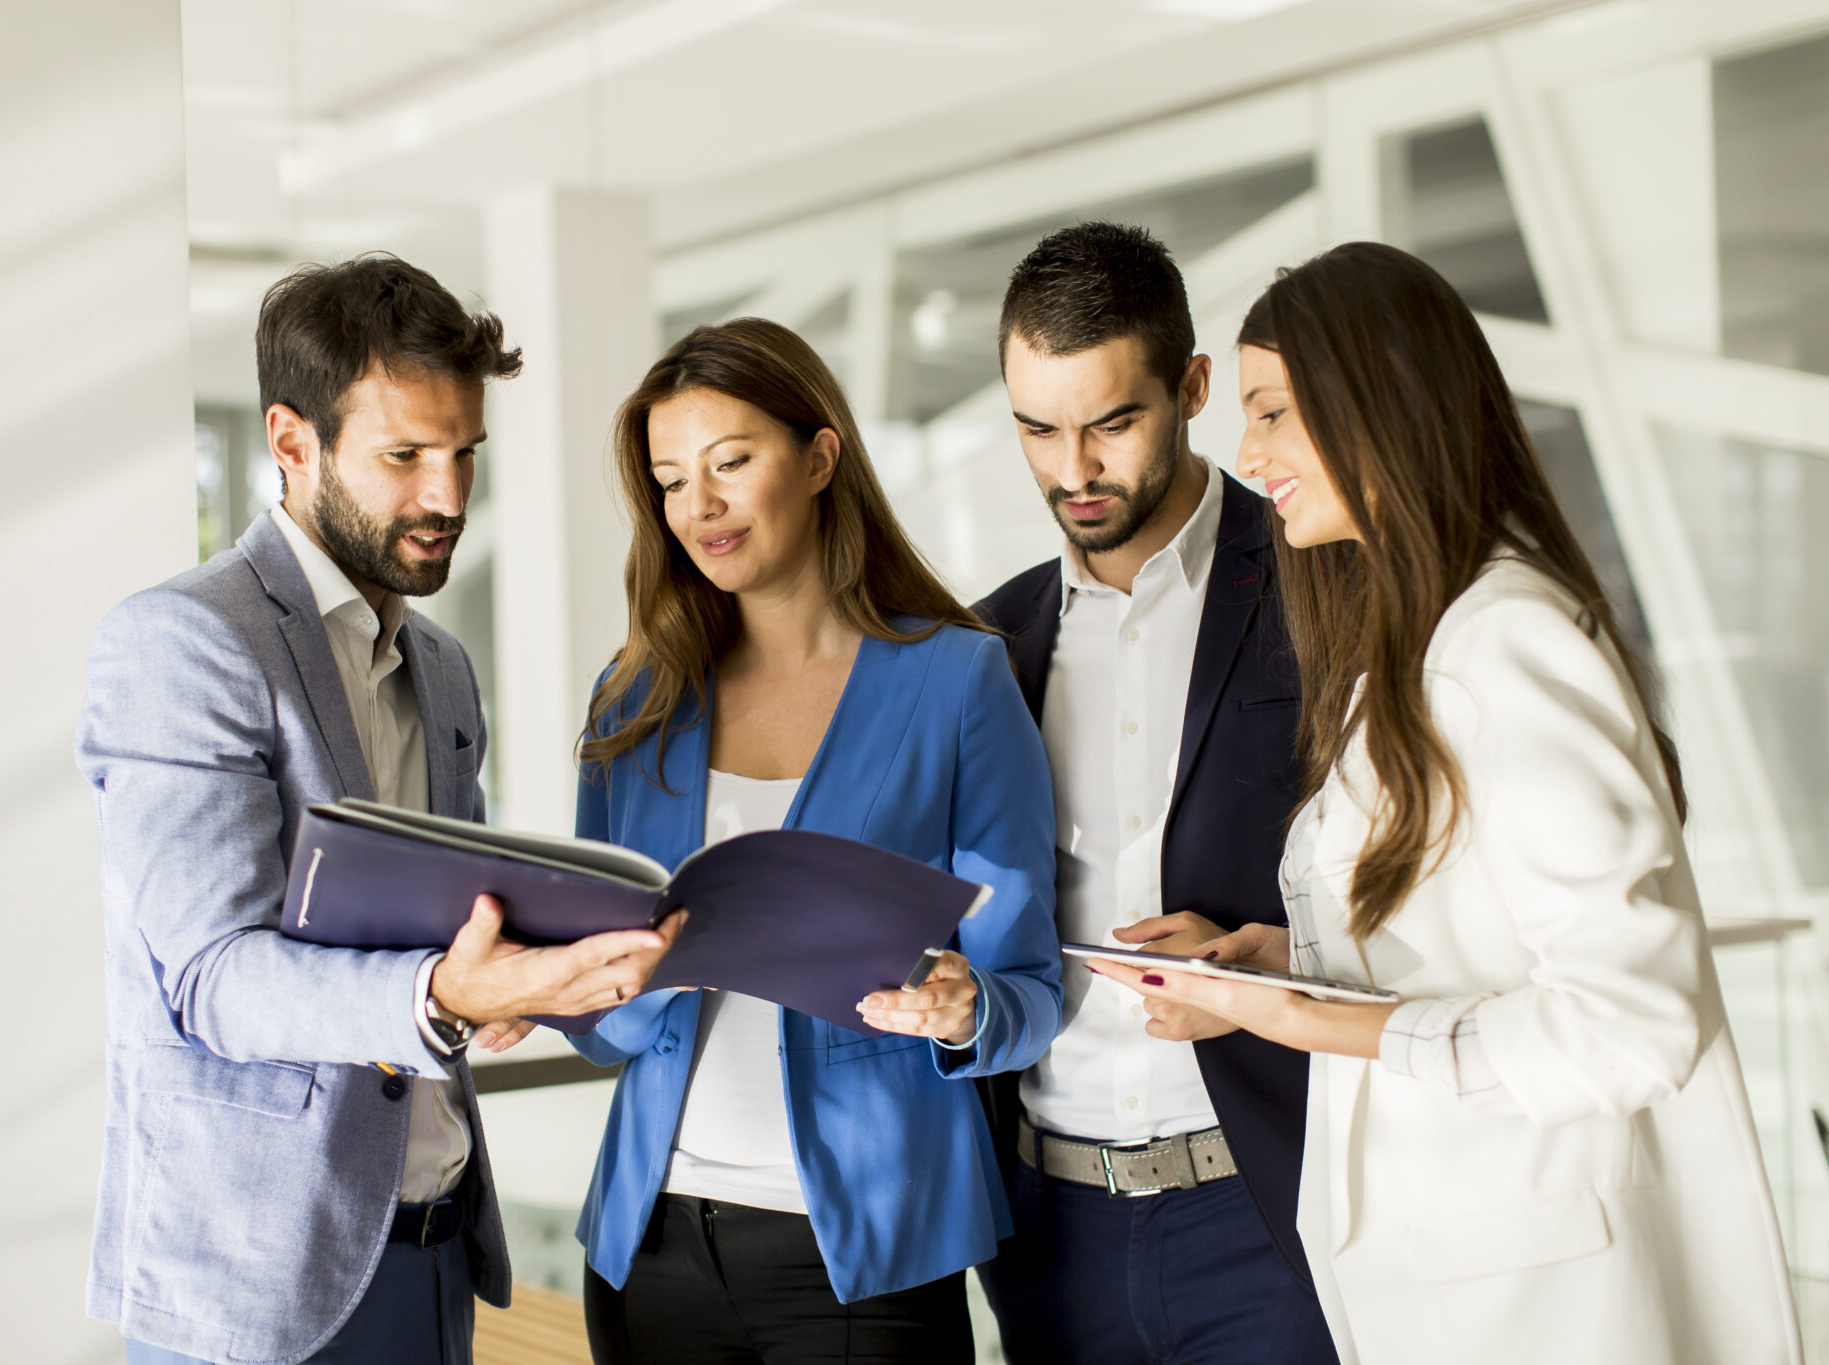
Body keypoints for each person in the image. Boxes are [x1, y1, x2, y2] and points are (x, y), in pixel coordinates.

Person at [1090, 241, 1803, 1364]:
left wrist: (1328, 1023)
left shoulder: (1502, 643)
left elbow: (1633, 1022)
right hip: (1446, 1277)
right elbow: (1466, 937)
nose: (1247, 449)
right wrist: (1278, 969)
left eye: (1272, 411)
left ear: (1375, 400)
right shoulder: (1417, 651)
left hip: (1540, 1296)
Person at [75, 253, 683, 1365]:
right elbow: (214, 980)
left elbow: (435, 930)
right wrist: (444, 991)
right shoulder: (184, 644)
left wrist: (519, 982)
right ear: (291, 441)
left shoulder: (440, 667)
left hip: (434, 1242)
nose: (447, 497)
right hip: (257, 1276)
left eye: (463, 455)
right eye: (404, 456)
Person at [566, 317, 1064, 1364]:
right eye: (668, 480)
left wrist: (964, 1009)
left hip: (863, 1259)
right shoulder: (637, 699)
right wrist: (575, 987)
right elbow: (598, 1017)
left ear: (820, 456)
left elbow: (1025, 990)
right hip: (647, 1243)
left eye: (730, 463)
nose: (695, 505)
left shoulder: (956, 683)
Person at [971, 221, 1335, 1364]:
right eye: (1036, 428)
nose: (1070, 469)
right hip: (1049, 1230)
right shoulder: (988, 641)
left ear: (1189, 388)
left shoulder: (1324, 587)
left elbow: (1425, 879)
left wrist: (1281, 952)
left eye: (1111, 423)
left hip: (1267, 1212)